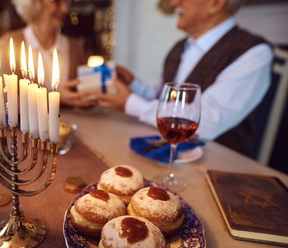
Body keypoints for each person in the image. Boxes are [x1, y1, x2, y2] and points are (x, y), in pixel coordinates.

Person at [97, 0, 274, 156]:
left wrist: (130, 103)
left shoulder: (254, 53)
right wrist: (133, 84)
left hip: (218, 167)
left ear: (216, 3)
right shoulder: (180, 47)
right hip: (168, 155)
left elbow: (207, 122)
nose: (174, 3)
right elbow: (165, 101)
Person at [0, 0, 96, 107]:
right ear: (33, 3)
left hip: (70, 123)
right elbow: (7, 98)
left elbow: (84, 95)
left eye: (66, 2)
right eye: (56, 2)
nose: (64, 9)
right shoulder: (8, 44)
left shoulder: (75, 47)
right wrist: (56, 96)